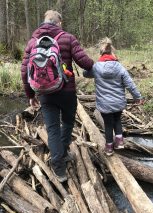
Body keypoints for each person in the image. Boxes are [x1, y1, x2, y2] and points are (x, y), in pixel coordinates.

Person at [21, 10, 94, 182]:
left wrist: (30, 94)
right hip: (67, 91)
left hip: (45, 93)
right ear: (59, 22)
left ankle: (59, 169)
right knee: (68, 123)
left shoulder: (33, 41)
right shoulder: (67, 38)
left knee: (52, 129)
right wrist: (92, 66)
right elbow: (85, 62)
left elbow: (24, 70)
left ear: (44, 21)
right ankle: (64, 152)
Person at [83, 37, 143, 156]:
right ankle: (119, 142)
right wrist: (138, 97)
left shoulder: (96, 67)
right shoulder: (119, 67)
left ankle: (109, 148)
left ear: (101, 53)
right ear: (112, 52)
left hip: (104, 104)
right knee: (117, 119)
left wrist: (89, 66)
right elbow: (130, 84)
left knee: (108, 124)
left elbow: (85, 74)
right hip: (118, 102)